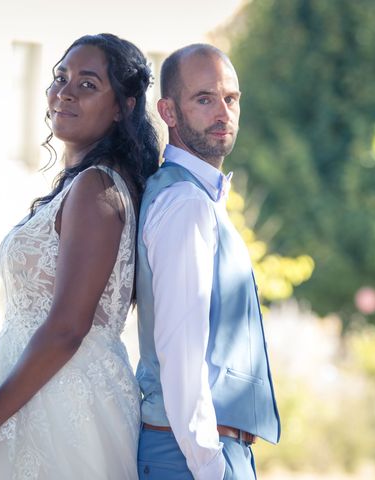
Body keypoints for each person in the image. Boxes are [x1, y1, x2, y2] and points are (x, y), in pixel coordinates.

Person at [0, 33, 159, 479]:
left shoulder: (97, 188)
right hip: (30, 396)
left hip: (68, 405)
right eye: (60, 77)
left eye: (88, 84)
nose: (65, 92)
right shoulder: (81, 185)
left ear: (124, 106)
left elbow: (68, 327)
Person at [135, 44, 280, 480]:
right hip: (190, 455)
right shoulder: (185, 204)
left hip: (195, 451)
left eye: (230, 99)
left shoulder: (194, 196)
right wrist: (211, 466)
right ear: (169, 111)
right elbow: (181, 352)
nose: (223, 112)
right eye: (204, 98)